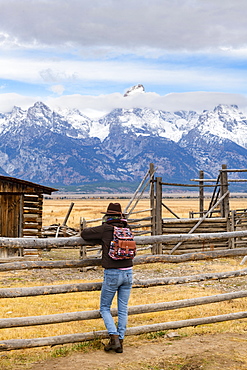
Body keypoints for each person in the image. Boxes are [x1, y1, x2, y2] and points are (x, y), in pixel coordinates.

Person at [81, 203, 133, 353]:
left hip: (112, 273)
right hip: (128, 272)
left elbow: (85, 234)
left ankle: (114, 337)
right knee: (123, 309)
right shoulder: (127, 229)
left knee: (104, 308)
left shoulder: (105, 229)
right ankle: (120, 341)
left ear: (108, 216)